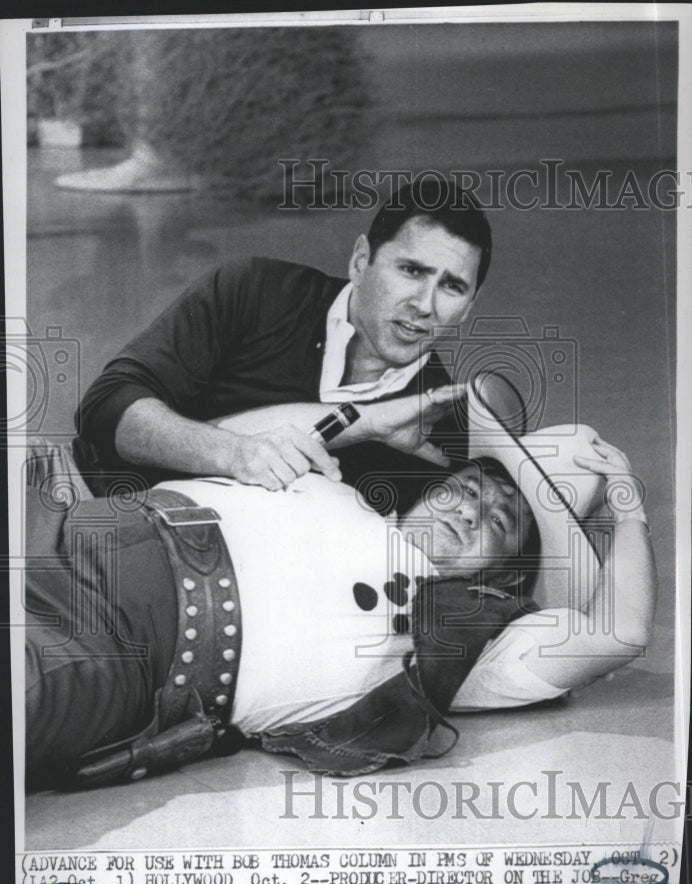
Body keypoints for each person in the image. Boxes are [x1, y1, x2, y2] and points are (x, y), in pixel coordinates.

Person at [25, 386, 655, 788]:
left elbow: (619, 633)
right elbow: (226, 429)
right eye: (467, 487)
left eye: (498, 520)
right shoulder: (335, 483)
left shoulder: (460, 629)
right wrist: (367, 421)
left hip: (127, 651)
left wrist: (627, 506)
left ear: (506, 573)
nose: (469, 508)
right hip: (64, 527)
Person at [66, 180, 509, 512]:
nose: (424, 305)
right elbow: (103, 410)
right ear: (360, 261)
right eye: (411, 270)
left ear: (469, 306)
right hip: (86, 506)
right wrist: (237, 454)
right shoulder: (257, 291)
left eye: (452, 286)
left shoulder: (439, 431)